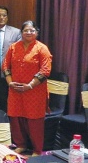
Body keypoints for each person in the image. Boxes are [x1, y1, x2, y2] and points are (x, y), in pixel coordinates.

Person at [3, 21, 52, 156]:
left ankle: (37, 149)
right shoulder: (13, 47)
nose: (29, 33)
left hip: (34, 91)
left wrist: (30, 85)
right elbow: (6, 66)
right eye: (26, 30)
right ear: (21, 32)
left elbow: (45, 71)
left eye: (32, 30)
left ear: (37, 32)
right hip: (15, 90)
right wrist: (10, 83)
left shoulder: (42, 48)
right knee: (15, 118)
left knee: (34, 120)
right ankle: (20, 144)